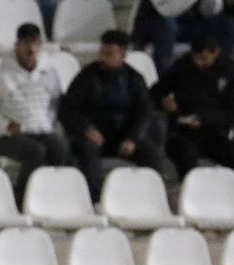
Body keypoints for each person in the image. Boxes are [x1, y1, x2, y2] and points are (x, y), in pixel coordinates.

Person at [59, 29, 164, 203]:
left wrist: (132, 138)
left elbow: (144, 113)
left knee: (151, 155)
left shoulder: (134, 79)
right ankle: (93, 201)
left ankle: (148, 200)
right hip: (94, 136)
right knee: (87, 152)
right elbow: (68, 110)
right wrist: (86, 129)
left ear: (122, 55)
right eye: (102, 52)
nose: (103, 57)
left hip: (123, 138)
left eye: (109, 54)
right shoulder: (87, 76)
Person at [0, 22, 67, 207]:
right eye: (26, 43)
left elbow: (55, 104)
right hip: (8, 136)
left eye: (34, 43)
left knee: (61, 147)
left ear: (40, 46)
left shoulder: (50, 74)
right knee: (35, 152)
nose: (30, 49)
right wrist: (6, 124)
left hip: (42, 131)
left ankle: (55, 197)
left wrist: (47, 123)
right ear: (17, 45)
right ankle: (21, 198)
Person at [150, 33, 234, 179]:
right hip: (183, 132)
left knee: (233, 156)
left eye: (204, 58)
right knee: (185, 155)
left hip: (215, 132)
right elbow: (155, 92)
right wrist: (163, 102)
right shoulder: (182, 67)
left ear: (215, 53)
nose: (198, 63)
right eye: (195, 57)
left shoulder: (232, 73)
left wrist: (205, 119)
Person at [131, 0, 234, 75]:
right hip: (158, 23)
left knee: (228, 25)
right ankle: (164, 82)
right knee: (168, 27)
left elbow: (208, 12)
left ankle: (220, 74)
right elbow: (167, 11)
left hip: (191, 23)